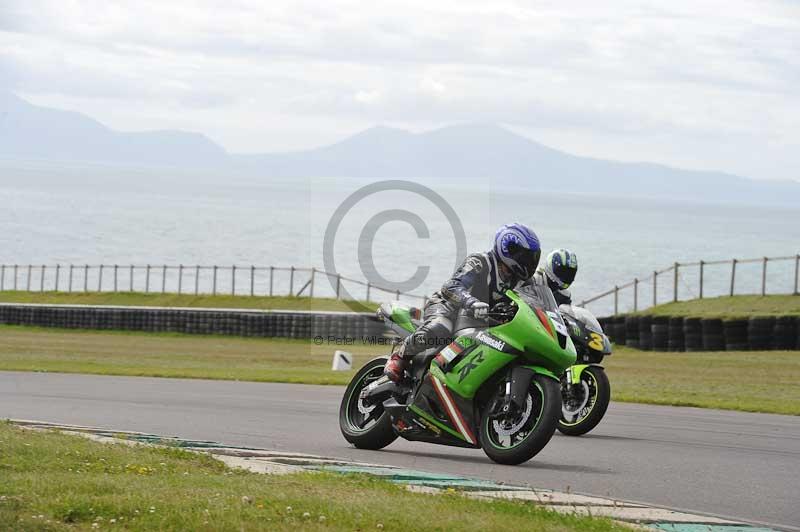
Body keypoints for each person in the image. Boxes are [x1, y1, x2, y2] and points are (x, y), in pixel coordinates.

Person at [384, 223, 542, 382]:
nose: (530, 262)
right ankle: (400, 357)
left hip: (480, 322)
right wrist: (471, 302)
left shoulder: (523, 282)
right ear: (510, 249)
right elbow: (450, 287)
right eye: (526, 257)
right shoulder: (480, 262)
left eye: (533, 258)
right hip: (447, 306)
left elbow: (535, 304)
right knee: (440, 327)